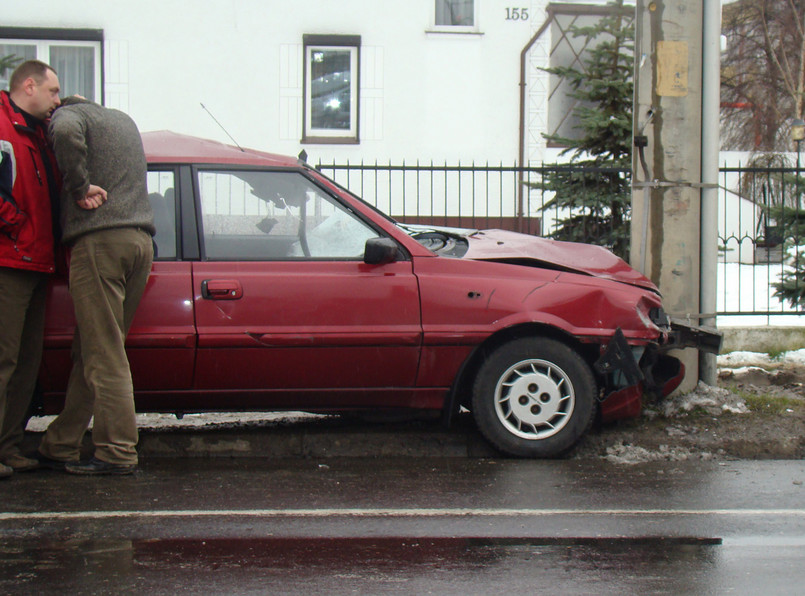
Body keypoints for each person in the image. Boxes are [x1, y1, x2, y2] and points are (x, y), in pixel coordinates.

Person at [37, 96, 155, 475]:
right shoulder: (122, 119)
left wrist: (79, 187)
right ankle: (61, 443)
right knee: (94, 348)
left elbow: (66, 132)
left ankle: (117, 451)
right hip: (139, 243)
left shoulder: (68, 116)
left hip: (100, 240)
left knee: (104, 354)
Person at [0, 60, 61, 478]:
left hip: (38, 260)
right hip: (10, 260)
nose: (57, 100)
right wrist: (17, 223)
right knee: (4, 359)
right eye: (53, 91)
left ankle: (8, 447)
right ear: (29, 85)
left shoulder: (36, 133)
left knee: (25, 361)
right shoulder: (5, 130)